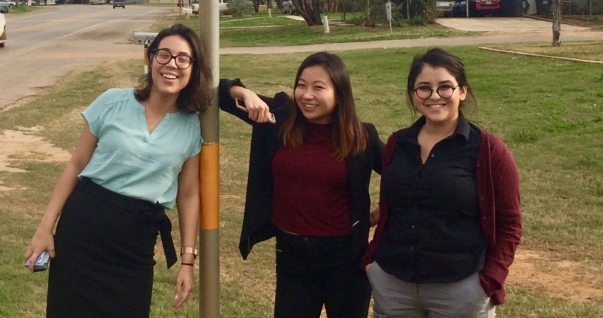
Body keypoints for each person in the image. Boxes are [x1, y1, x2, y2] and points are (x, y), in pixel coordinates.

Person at [25, 24, 211, 318]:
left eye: (182, 58)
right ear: (149, 58)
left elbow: (188, 194)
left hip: (135, 246)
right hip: (82, 232)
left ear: (193, 69)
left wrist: (188, 261)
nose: (171, 64)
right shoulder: (112, 101)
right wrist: (45, 227)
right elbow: (76, 164)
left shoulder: (191, 125)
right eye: (163, 54)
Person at [219, 52, 383, 318]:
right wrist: (246, 94)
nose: (306, 95)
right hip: (291, 255)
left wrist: (377, 215)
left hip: (345, 257)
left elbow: (404, 176)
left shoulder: (361, 137)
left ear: (339, 93)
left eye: (318, 87)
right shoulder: (278, 119)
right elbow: (220, 93)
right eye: (301, 85)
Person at [362, 47, 522, 318]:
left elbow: (510, 224)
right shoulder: (397, 144)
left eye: (445, 87)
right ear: (414, 95)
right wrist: (371, 263)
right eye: (424, 88)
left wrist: (490, 280)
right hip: (393, 285)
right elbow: (392, 207)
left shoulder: (488, 149)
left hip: (460, 289)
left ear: (462, 91)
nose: (434, 96)